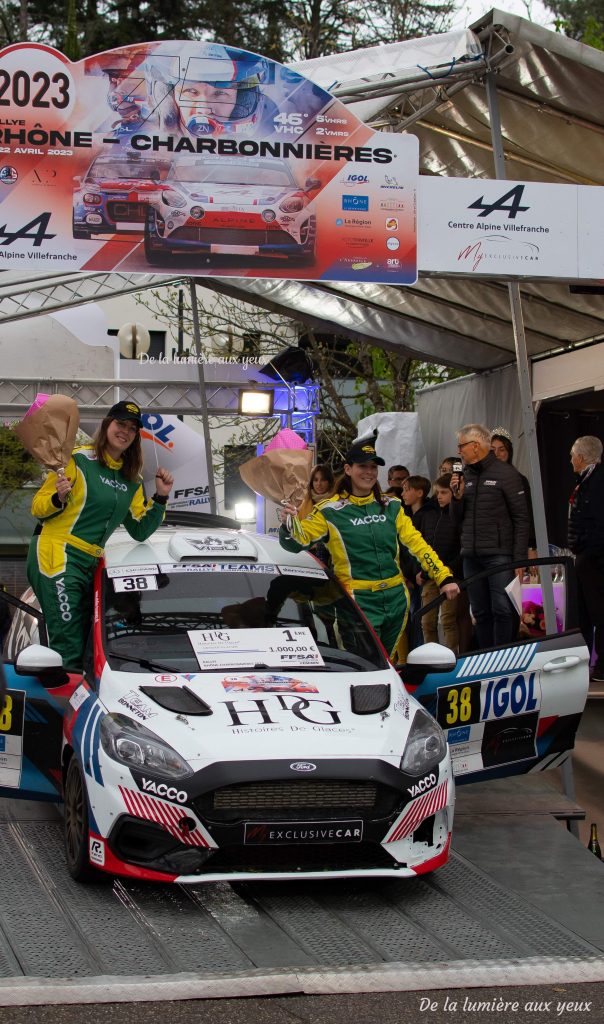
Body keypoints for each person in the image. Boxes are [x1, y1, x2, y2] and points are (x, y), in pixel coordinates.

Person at [277, 432, 459, 658]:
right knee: (362, 664)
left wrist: (443, 576)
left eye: (374, 467)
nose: (369, 472)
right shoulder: (329, 510)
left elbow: (417, 544)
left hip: (396, 598)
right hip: (358, 600)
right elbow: (297, 543)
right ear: (347, 469)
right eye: (363, 466)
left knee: (387, 663)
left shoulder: (391, 506)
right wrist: (288, 525)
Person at [27, 401, 174, 672]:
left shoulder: (132, 480)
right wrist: (58, 498)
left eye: (132, 428)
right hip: (57, 553)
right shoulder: (77, 460)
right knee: (69, 642)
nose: (125, 431)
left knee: (87, 643)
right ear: (107, 424)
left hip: (92, 563)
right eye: (120, 424)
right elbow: (37, 508)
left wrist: (161, 497)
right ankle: (67, 710)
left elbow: (140, 530)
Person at [450, 423, 529, 648]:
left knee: (503, 609)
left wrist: (519, 558)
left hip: (499, 554)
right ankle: (486, 658)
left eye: (461, 446)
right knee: (480, 612)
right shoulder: (464, 475)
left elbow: (521, 518)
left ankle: (504, 656)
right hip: (471, 556)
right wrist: (457, 497)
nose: (459, 451)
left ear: (475, 446)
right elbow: (455, 520)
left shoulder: (506, 473)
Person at [568, 435, 604, 683]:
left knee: (599, 612)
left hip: (595, 558)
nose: (570, 460)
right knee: (583, 614)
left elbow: (599, 522)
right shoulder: (585, 480)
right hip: (583, 556)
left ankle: (601, 665)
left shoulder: (598, 481)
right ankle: (583, 664)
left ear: (581, 457)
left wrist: (590, 551)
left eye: (572, 456)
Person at [491, 427, 537, 555]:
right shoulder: (480, 479)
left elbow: (527, 516)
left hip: (512, 547)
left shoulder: (519, 480)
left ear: (509, 452)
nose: (496, 454)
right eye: (492, 449)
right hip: (487, 547)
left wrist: (531, 547)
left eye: (502, 449)